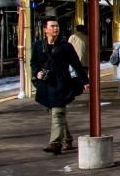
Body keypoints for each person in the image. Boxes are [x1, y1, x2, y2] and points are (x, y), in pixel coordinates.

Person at [31, 16, 88, 154]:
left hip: (61, 83)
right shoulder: (38, 45)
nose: (55, 28)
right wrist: (37, 73)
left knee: (57, 112)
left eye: (57, 26)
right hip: (46, 84)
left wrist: (84, 81)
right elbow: (33, 62)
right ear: (45, 29)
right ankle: (67, 139)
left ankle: (55, 143)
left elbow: (76, 64)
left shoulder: (66, 46)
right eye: (52, 26)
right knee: (57, 112)